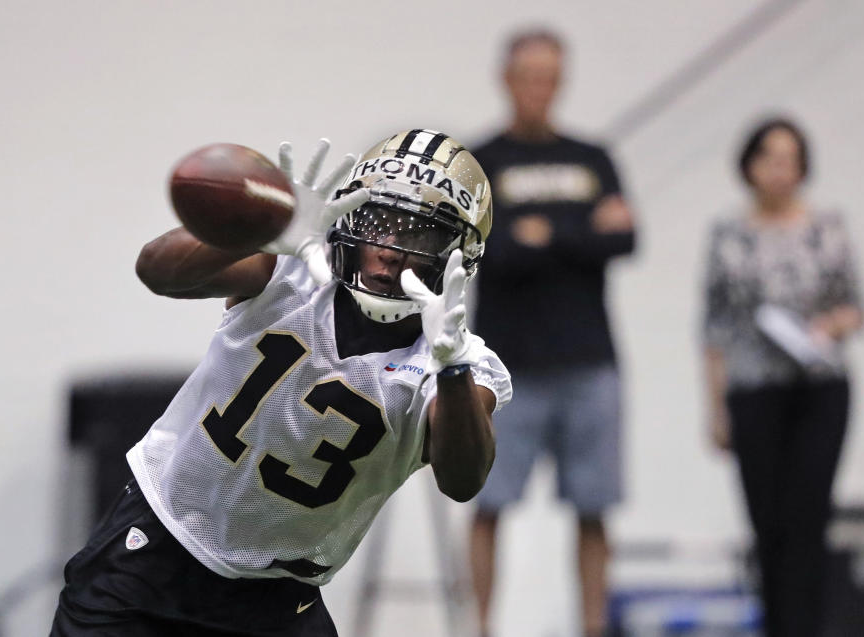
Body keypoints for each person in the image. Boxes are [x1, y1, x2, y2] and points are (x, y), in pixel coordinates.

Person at [50, 130, 513, 636]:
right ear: (351, 216)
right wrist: (259, 231)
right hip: (155, 553)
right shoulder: (291, 270)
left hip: (279, 598)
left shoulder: (460, 363)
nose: (392, 250)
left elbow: (463, 479)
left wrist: (452, 371)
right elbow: (157, 271)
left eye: (419, 235)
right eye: (380, 222)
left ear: (458, 253)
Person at [469, 30, 637, 637]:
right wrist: (578, 231)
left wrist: (545, 233)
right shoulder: (481, 161)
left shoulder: (593, 157)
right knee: (487, 505)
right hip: (503, 368)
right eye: (529, 75)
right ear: (507, 79)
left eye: (551, 75)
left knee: (594, 510)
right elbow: (486, 250)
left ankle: (593, 628)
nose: (541, 87)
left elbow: (624, 238)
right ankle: (481, 627)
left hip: (589, 361)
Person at [702, 117, 864, 637]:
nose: (780, 170)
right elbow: (714, 327)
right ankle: (776, 625)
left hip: (820, 389)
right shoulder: (728, 233)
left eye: (790, 159)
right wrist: (716, 406)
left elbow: (856, 308)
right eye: (770, 158)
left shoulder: (827, 227)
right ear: (749, 166)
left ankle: (810, 627)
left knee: (808, 518)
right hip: (754, 391)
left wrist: (828, 325)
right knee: (767, 522)